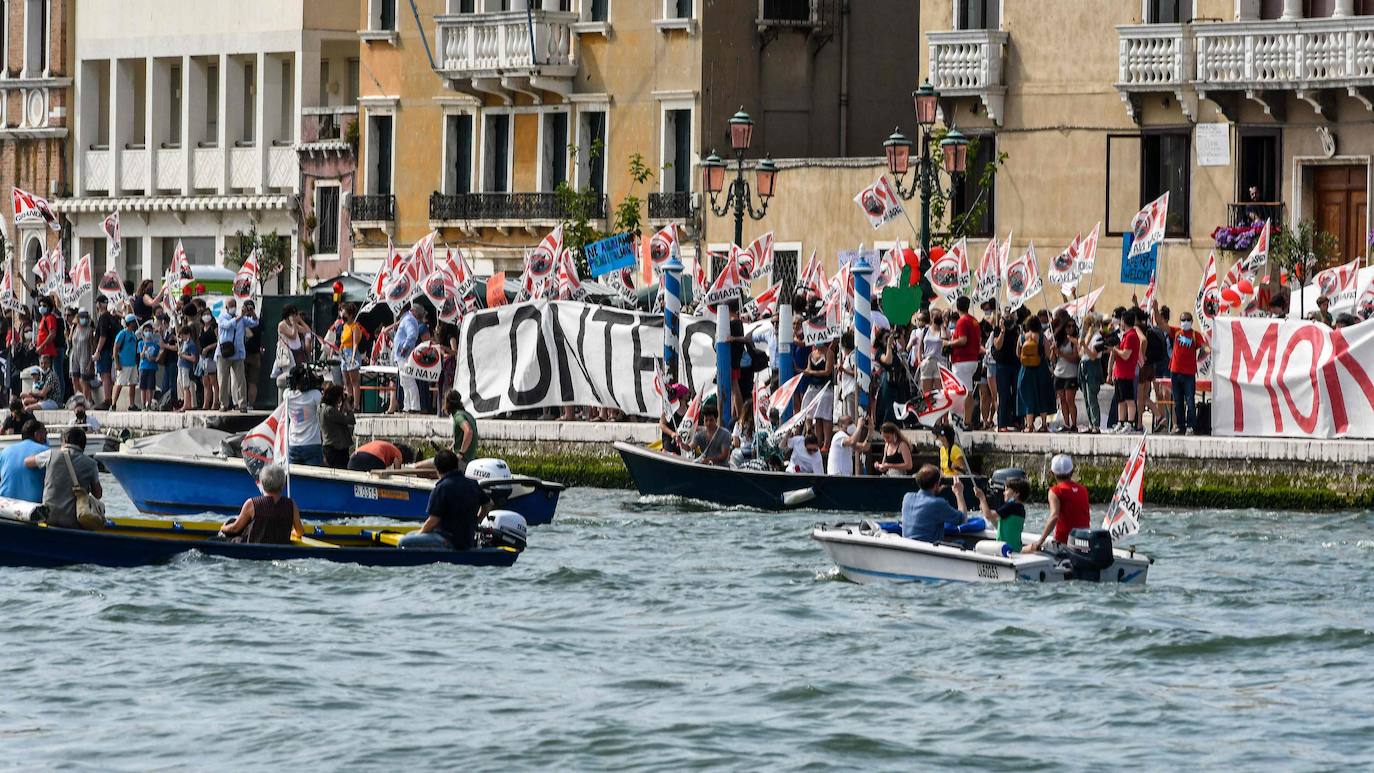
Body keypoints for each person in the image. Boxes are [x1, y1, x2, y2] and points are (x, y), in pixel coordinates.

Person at [398, 450, 490, 550]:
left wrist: (420, 534)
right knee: (411, 534)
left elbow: (433, 520)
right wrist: (475, 522)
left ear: (437, 468)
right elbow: (488, 505)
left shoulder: (441, 488)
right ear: (456, 464)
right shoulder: (473, 484)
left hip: (448, 540)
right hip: (467, 540)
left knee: (403, 541)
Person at [25, 427, 102, 529]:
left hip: (48, 517)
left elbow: (27, 462)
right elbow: (98, 494)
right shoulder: (91, 464)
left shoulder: (51, 454)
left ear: (64, 440)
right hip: (75, 520)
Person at [217, 463, 305, 544]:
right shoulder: (291, 504)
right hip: (280, 551)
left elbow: (235, 529)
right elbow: (300, 531)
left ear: (262, 483)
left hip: (253, 549)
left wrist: (223, 527)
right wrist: (294, 532)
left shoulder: (252, 503)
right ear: (282, 485)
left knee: (216, 537)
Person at [1027, 453, 1091, 553]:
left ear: (1052, 473)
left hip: (1063, 543)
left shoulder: (1055, 491)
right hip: (1083, 542)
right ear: (1072, 471)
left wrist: (1040, 541)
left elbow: (1054, 516)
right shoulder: (1083, 490)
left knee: (1027, 549)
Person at [900, 464, 968, 542]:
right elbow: (963, 519)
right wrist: (959, 493)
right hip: (928, 550)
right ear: (936, 485)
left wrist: (935, 489)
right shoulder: (938, 503)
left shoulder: (907, 498)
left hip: (909, 546)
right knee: (961, 542)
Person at [1169, 311, 1209, 435]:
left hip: (1189, 373)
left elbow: (1207, 349)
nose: (1185, 322)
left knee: (1190, 401)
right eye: (1183, 319)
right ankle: (1180, 426)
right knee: (1178, 401)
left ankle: (1191, 426)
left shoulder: (1195, 335)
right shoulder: (1176, 332)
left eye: (1187, 319)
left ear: (1191, 322)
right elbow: (1162, 324)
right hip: (1175, 372)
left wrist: (1200, 356)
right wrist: (1154, 310)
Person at [216, 297, 259, 412]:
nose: (233, 308)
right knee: (223, 380)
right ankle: (223, 404)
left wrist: (251, 313)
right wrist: (241, 316)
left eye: (234, 305)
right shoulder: (222, 317)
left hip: (238, 353)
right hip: (224, 353)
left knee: (241, 380)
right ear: (226, 307)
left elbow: (254, 323)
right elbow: (228, 325)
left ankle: (242, 404)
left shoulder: (242, 319)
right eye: (231, 305)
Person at [949, 296, 982, 426]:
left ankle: (965, 420)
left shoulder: (962, 321)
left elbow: (963, 340)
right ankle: (966, 420)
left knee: (963, 392)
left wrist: (948, 343)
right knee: (966, 391)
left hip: (962, 360)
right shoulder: (974, 321)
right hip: (972, 359)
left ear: (957, 307)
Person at [973, 476, 1030, 552]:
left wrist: (982, 498)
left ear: (1016, 493)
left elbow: (988, 515)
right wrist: (984, 508)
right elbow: (999, 526)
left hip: (1005, 549)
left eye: (1006, 490)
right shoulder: (1021, 509)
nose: (1004, 493)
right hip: (1016, 549)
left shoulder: (1010, 506)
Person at [1016, 316, 1052, 432]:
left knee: (1027, 396)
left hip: (1025, 370)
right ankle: (1044, 424)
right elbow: (1047, 354)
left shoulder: (1022, 337)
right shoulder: (1042, 337)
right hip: (1041, 369)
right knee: (1042, 395)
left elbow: (1018, 353)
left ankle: (1029, 425)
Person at [284, 365, 324, 466]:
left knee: (295, 479)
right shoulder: (315, 395)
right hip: (312, 444)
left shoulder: (287, 395)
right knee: (313, 479)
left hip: (293, 443)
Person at [392, 303, 428, 413]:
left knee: (408, 380)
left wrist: (405, 347)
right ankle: (407, 405)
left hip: (404, 354)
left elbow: (411, 334)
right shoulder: (408, 319)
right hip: (402, 355)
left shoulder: (408, 319)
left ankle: (414, 406)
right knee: (404, 381)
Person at [1110, 309, 1141, 433]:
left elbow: (1126, 355)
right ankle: (1120, 422)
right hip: (1119, 372)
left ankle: (1130, 423)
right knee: (1120, 400)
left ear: (1124, 322)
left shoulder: (1131, 336)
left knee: (1129, 399)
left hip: (1127, 373)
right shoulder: (1125, 336)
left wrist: (1115, 349)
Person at [0, 420, 47, 503]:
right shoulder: (45, 452)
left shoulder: (5, 451)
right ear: (37, 435)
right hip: (33, 508)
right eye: (45, 434)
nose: (46, 437)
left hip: (6, 506)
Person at [1051, 317, 1080, 432]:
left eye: (1073, 326)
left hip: (1071, 374)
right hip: (1059, 373)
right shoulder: (1058, 340)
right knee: (1062, 400)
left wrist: (1061, 354)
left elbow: (1075, 358)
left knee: (1070, 400)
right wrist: (1054, 351)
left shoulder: (1074, 341)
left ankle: (1074, 424)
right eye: (1068, 326)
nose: (1071, 328)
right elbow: (1053, 360)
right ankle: (1066, 423)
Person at [1078, 313, 1105, 433]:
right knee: (1086, 398)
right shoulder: (1087, 337)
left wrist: (1084, 346)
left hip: (1092, 368)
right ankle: (1090, 423)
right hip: (1084, 366)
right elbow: (1081, 354)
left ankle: (1096, 424)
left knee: (1092, 397)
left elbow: (1093, 356)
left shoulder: (1097, 337)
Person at [319, 384, 355, 469]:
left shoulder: (322, 408)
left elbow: (339, 418)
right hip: (336, 449)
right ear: (337, 397)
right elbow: (350, 420)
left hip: (330, 446)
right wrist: (348, 407)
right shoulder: (330, 410)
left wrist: (342, 405)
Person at [336, 303, 364, 407]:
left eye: (345, 315)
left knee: (354, 381)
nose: (343, 317)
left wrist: (352, 358)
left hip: (351, 353)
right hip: (344, 353)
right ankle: (349, 404)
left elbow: (355, 343)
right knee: (346, 381)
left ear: (351, 315)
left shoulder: (355, 327)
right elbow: (343, 341)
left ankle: (356, 405)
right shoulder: (344, 326)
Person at [93, 296, 119, 408]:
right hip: (109, 350)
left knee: (105, 375)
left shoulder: (103, 317)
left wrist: (98, 350)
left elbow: (103, 336)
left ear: (99, 304)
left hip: (105, 351)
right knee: (107, 375)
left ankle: (107, 399)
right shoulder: (110, 317)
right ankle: (109, 399)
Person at [68, 309, 95, 404]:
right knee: (74, 378)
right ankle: (78, 399)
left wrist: (91, 361)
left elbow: (92, 346)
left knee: (84, 380)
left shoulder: (89, 330)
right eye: (82, 317)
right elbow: (70, 339)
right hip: (75, 354)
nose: (84, 319)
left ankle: (86, 400)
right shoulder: (74, 328)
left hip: (85, 354)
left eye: (85, 317)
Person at [446, 390, 479, 464]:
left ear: (448, 403)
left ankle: (414, 466)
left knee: (433, 462)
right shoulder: (467, 414)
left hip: (463, 460)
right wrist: (451, 447)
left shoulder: (458, 416)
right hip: (470, 458)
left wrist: (461, 453)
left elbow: (469, 431)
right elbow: (461, 435)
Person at [198, 308, 220, 410]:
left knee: (213, 381)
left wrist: (208, 348)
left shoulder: (214, 327)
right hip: (203, 357)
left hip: (211, 355)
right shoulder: (202, 328)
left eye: (208, 314)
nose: (206, 316)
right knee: (205, 381)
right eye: (204, 314)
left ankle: (215, 402)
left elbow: (218, 341)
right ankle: (206, 403)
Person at [347, 439, 415, 472]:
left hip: (355, 457)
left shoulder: (385, 445)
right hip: (374, 458)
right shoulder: (398, 452)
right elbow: (397, 471)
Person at [138, 323, 160, 410]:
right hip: (143, 367)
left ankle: (149, 404)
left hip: (152, 367)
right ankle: (143, 404)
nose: (148, 333)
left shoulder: (155, 345)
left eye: (150, 331)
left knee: (150, 387)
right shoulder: (141, 343)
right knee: (143, 387)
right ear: (143, 332)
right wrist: (144, 349)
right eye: (146, 331)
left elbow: (157, 357)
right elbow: (141, 356)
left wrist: (153, 358)